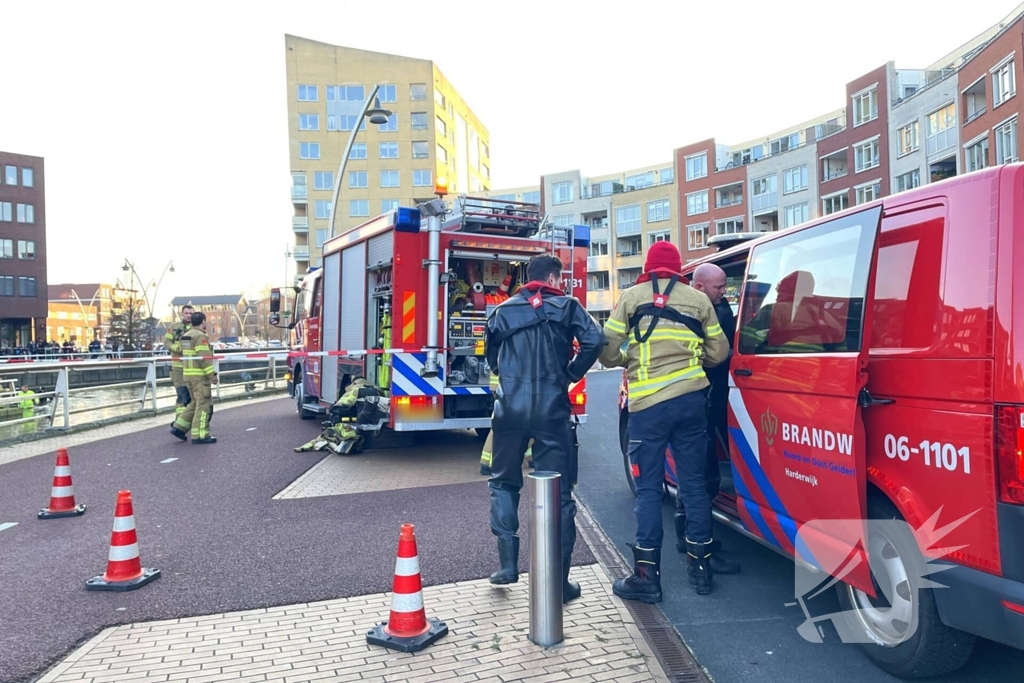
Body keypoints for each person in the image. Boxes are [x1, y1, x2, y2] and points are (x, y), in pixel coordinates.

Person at [600, 241, 730, 601]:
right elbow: (720, 352)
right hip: (691, 404)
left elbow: (608, 350)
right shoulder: (699, 299)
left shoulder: (630, 297)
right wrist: (691, 361)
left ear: (648, 266)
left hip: (647, 410)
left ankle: (647, 577)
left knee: (648, 491)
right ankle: (700, 572)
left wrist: (631, 357)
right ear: (679, 269)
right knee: (693, 487)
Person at [484, 253, 604, 603]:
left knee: (504, 482)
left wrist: (506, 374)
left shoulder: (502, 310)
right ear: (553, 278)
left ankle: (507, 565)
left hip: (509, 409)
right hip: (552, 409)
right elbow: (595, 342)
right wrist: (571, 373)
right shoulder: (568, 306)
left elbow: (491, 355)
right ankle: (559, 581)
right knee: (560, 495)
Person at [689, 263, 741, 574]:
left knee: (702, 467)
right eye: (718, 287)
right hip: (704, 398)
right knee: (701, 469)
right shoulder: (702, 312)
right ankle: (698, 543)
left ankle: (696, 538)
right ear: (698, 286)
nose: (724, 292)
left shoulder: (717, 308)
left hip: (718, 394)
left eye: (724, 286)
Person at [171, 312, 218, 444]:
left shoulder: (186, 335)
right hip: (199, 377)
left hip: (188, 375)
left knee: (194, 403)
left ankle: (179, 427)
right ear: (203, 321)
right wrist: (212, 375)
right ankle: (200, 435)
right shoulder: (200, 336)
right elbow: (204, 358)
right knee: (203, 404)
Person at [166, 305, 194, 438]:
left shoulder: (196, 327)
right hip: (178, 367)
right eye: (186, 313)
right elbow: (166, 342)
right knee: (182, 395)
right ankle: (179, 423)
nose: (189, 315)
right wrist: (175, 347)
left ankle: (181, 422)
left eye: (191, 313)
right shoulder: (174, 326)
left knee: (190, 396)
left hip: (191, 367)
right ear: (182, 314)